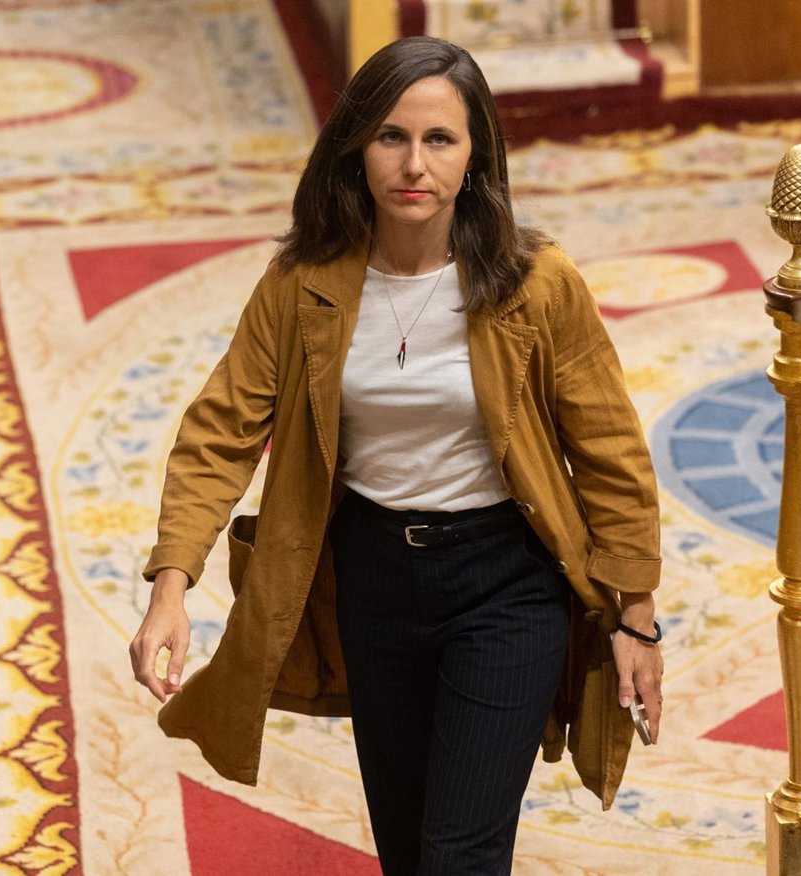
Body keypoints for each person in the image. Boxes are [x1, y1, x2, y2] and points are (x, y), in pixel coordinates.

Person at [130, 35, 664, 874]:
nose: (415, 164)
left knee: (458, 854)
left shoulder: (536, 283)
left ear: (475, 155)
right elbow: (218, 432)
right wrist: (171, 586)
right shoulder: (303, 284)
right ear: (356, 147)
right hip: (373, 583)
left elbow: (611, 453)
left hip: (507, 583)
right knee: (409, 850)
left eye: (440, 139)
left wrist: (636, 614)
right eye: (392, 137)